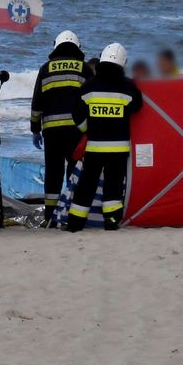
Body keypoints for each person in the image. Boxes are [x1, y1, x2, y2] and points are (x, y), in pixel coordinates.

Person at [67, 43, 142, 232]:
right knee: (114, 185)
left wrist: (87, 130)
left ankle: (75, 223)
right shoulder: (128, 86)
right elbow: (137, 106)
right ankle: (111, 221)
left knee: (86, 185)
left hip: (94, 147)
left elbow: (76, 113)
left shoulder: (89, 85)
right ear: (122, 63)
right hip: (118, 148)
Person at [30, 30, 93, 223]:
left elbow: (37, 102)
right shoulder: (84, 69)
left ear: (55, 46)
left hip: (52, 132)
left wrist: (35, 129)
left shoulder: (45, 69)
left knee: (53, 173)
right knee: (75, 172)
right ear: (77, 47)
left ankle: (51, 217)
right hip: (77, 131)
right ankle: (73, 213)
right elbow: (92, 100)